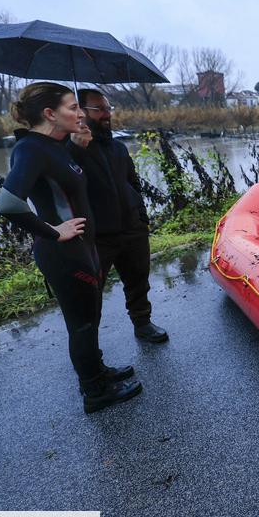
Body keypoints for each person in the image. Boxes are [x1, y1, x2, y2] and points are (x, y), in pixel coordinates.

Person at [0, 83, 143, 414]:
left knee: (89, 318)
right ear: (50, 114)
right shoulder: (31, 149)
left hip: (84, 247)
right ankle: (95, 392)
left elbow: (65, 187)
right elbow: (8, 203)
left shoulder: (56, 146)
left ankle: (98, 372)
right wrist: (51, 231)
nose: (80, 113)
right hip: (65, 253)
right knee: (82, 324)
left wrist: (79, 146)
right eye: (73, 107)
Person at [68, 89, 168, 343]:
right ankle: (90, 347)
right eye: (98, 109)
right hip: (97, 236)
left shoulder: (118, 148)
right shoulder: (67, 150)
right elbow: (65, 187)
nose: (106, 114)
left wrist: (142, 217)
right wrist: (76, 150)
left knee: (138, 281)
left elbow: (133, 183)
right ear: (81, 112)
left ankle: (142, 323)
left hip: (132, 228)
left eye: (108, 108)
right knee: (90, 293)